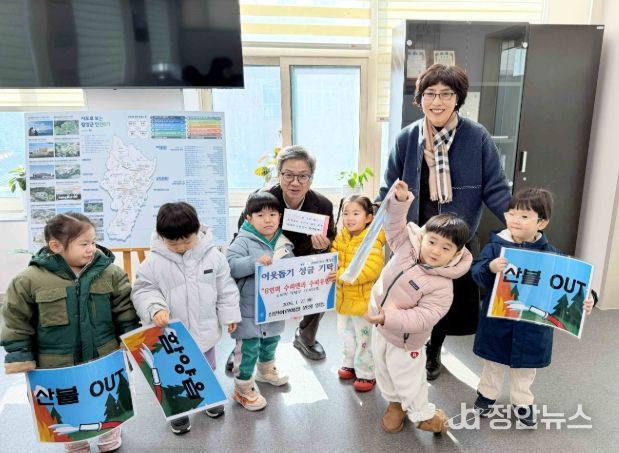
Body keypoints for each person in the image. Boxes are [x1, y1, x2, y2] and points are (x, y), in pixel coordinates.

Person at [377, 63, 512, 380]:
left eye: (446, 94)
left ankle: (433, 350)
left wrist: (519, 221)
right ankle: (404, 348)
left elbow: (495, 187)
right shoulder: (407, 138)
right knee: (409, 295)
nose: (437, 101)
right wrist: (372, 213)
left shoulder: (477, 137)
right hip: (415, 237)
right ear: (420, 98)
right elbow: (388, 186)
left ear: (458, 99)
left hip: (454, 237)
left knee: (441, 300)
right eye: (430, 94)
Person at [0, 212, 139, 453]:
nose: (91, 249)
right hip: (56, 363)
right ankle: (75, 440)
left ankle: (109, 431)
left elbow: (125, 309)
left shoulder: (110, 273)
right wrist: (20, 355)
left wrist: (131, 338)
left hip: (103, 356)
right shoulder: (29, 280)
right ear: (56, 246)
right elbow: (16, 319)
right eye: (84, 244)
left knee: (108, 399)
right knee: (68, 403)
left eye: (93, 242)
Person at [470, 188, 595, 427]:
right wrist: (490, 268)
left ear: (542, 223)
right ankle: (486, 394)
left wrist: (589, 298)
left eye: (524, 216)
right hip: (498, 322)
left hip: (532, 327)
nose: (515, 220)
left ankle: (522, 401)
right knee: (493, 364)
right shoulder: (496, 248)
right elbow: (476, 272)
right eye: (511, 213)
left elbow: (572, 282)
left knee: (525, 369)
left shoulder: (552, 255)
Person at [364, 181, 472, 434]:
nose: (436, 251)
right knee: (383, 368)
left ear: (456, 254)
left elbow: (423, 318)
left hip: (405, 340)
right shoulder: (406, 247)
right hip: (380, 327)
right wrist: (400, 202)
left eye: (446, 248)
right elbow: (393, 225)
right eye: (432, 242)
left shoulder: (443, 286)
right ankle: (394, 405)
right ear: (423, 237)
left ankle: (424, 415)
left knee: (408, 379)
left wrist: (387, 317)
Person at [132, 202, 241, 434]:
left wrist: (230, 314)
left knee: (205, 369)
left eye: (187, 240)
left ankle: (208, 399)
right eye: (173, 243)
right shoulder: (152, 262)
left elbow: (226, 287)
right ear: (161, 237)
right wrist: (155, 309)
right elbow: (143, 290)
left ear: (197, 231)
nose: (181, 247)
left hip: (204, 330)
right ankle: (179, 410)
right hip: (172, 335)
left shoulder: (214, 256)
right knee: (175, 375)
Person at [225, 145, 336, 370]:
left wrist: (320, 248)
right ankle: (243, 344)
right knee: (247, 287)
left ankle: (305, 337)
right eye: (288, 175)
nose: (295, 182)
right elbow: (243, 233)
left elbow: (330, 239)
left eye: (303, 176)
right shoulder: (261, 198)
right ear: (279, 174)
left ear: (311, 178)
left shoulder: (323, 205)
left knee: (322, 280)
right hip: (267, 258)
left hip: (302, 258)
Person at [226, 192, 295, 410]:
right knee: (248, 348)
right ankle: (242, 387)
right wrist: (254, 262)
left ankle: (265, 370)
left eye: (273, 214)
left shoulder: (283, 243)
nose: (268, 220)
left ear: (280, 217)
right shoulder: (243, 240)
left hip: (274, 307)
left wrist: (296, 303)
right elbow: (230, 265)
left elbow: (294, 275)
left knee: (271, 340)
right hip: (249, 309)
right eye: (260, 215)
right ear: (249, 218)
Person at [329, 194, 385, 392]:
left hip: (363, 304)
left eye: (355, 213)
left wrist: (341, 274)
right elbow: (333, 255)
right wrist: (330, 263)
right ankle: (349, 362)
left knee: (364, 339)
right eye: (346, 213)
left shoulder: (372, 240)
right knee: (345, 334)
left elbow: (371, 269)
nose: (349, 218)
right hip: (343, 301)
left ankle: (366, 373)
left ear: (368, 218)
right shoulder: (342, 235)